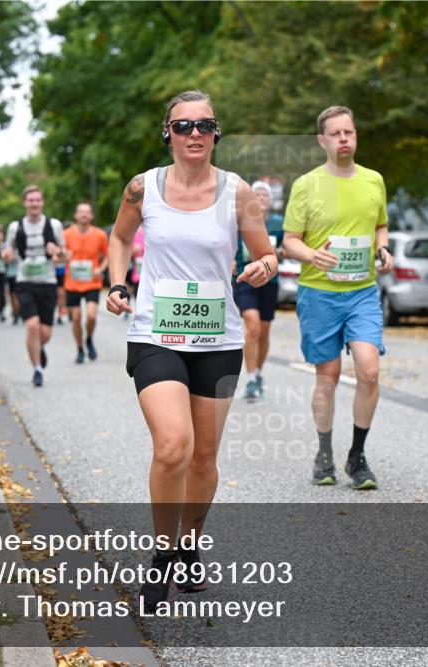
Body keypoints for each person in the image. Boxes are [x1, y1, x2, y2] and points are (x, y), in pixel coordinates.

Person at [105, 90, 276, 611]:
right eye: (183, 126)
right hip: (155, 333)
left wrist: (263, 267)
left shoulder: (238, 192)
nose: (194, 134)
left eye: (204, 125)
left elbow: (264, 254)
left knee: (203, 456)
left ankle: (190, 544)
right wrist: (117, 284)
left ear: (216, 132)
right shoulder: (143, 188)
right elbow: (118, 239)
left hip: (219, 339)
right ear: (168, 133)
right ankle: (162, 555)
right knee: (174, 444)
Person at [282, 106, 392, 490]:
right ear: (322, 141)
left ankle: (357, 456)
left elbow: (380, 225)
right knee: (326, 377)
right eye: (336, 133)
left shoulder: (374, 180)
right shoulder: (306, 185)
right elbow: (289, 241)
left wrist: (384, 250)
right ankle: (324, 452)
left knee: (369, 370)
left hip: (362, 290)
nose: (344, 138)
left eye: (350, 131)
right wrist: (312, 254)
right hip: (320, 293)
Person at [2, 185, 65, 387]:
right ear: (25, 203)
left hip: (47, 282)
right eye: (31, 200)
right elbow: (6, 251)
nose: (34, 203)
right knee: (32, 325)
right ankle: (37, 370)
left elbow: (64, 256)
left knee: (45, 332)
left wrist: (57, 252)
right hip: (24, 282)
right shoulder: (15, 227)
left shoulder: (54, 225)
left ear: (42, 202)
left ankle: (37, 347)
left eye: (38, 200)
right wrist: (7, 255)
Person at [235, 180, 286, 400]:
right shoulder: (241, 220)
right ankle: (250, 378)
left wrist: (278, 253)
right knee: (253, 326)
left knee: (264, 330)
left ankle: (258, 372)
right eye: (258, 195)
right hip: (244, 279)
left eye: (266, 195)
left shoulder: (278, 222)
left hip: (269, 281)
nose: (262, 198)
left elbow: (287, 250)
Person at [63, 202, 109, 363]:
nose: (84, 215)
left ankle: (89, 338)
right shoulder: (66, 234)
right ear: (76, 215)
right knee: (76, 318)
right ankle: (80, 348)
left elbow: (109, 255)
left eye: (87, 212)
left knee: (91, 315)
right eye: (81, 212)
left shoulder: (100, 235)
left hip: (92, 282)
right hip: (72, 283)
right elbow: (59, 257)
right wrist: (63, 256)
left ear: (91, 216)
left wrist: (101, 269)